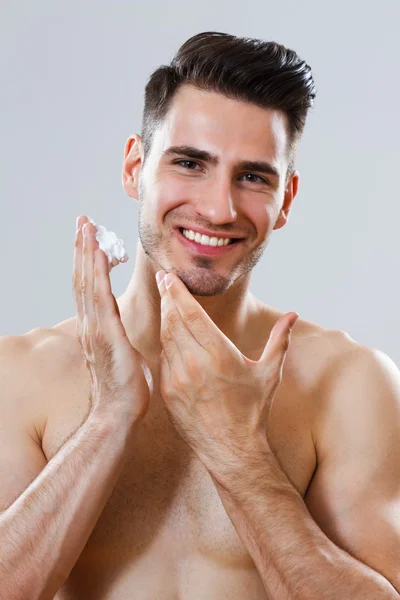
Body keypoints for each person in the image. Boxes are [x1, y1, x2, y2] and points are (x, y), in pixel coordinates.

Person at [0, 31, 399, 600]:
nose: (218, 207)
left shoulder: (350, 384)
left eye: (254, 176)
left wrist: (241, 456)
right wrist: (109, 417)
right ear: (135, 167)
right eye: (190, 163)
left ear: (285, 200)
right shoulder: (19, 377)